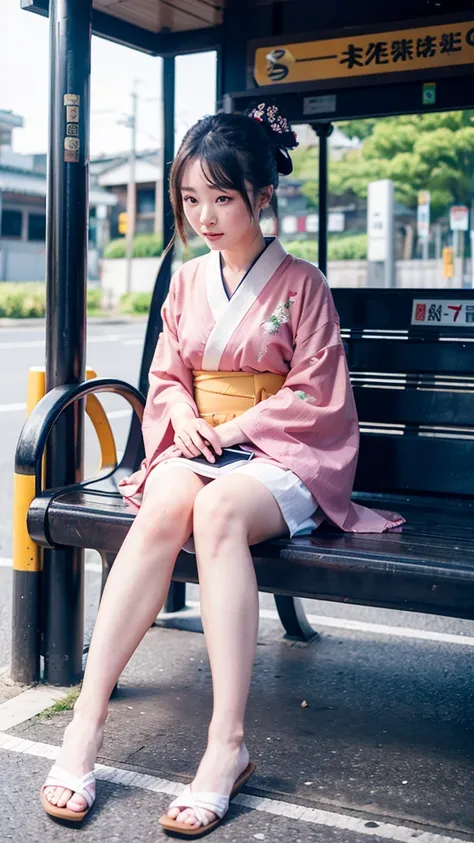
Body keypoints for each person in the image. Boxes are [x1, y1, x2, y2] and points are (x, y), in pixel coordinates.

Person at [40, 103, 404, 837]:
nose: (204, 216)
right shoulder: (186, 282)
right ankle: (86, 719)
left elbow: (314, 393)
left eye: (223, 197)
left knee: (218, 511)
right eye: (191, 198)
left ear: (262, 196)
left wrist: (234, 426)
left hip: (283, 452)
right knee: (166, 499)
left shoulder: (303, 284)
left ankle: (227, 743)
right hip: (202, 440)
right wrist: (185, 420)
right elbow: (168, 375)